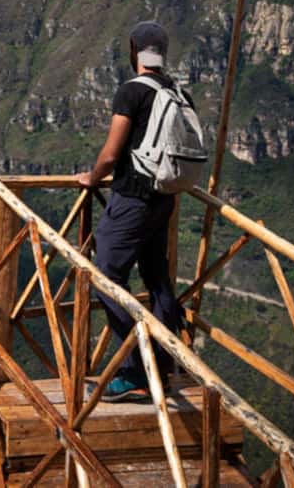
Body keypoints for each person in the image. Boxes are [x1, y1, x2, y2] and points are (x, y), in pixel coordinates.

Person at [78, 20, 184, 401]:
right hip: (163, 200)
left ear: (134, 51)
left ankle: (136, 369)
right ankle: (168, 357)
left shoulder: (131, 92)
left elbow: (111, 154)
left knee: (105, 275)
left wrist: (92, 177)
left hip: (132, 200)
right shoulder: (174, 89)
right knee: (157, 278)